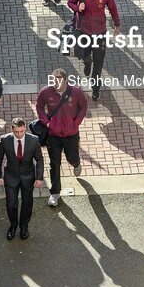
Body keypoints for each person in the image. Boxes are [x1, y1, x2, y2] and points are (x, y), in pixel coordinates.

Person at [35, 69, 88, 207]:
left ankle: (76, 163)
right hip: (53, 135)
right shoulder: (46, 92)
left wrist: (76, 123)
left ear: (66, 80)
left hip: (71, 134)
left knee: (72, 157)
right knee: (54, 163)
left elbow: (83, 107)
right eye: (54, 80)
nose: (56, 84)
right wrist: (46, 122)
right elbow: (39, 106)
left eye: (59, 81)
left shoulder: (76, 92)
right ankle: (55, 193)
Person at [67, 0, 120, 101]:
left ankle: (95, 89)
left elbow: (113, 9)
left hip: (100, 33)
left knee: (99, 63)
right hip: (83, 31)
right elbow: (70, 2)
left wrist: (117, 25)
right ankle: (86, 61)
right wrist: (77, 8)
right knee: (83, 54)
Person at [0, 118, 44, 240]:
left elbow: (39, 159)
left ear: (25, 128)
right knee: (11, 204)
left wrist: (39, 177)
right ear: (12, 129)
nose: (19, 134)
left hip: (28, 176)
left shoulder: (34, 140)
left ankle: (24, 226)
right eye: (16, 132)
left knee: (27, 203)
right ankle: (13, 225)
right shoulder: (5, 140)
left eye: (21, 131)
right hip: (11, 176)